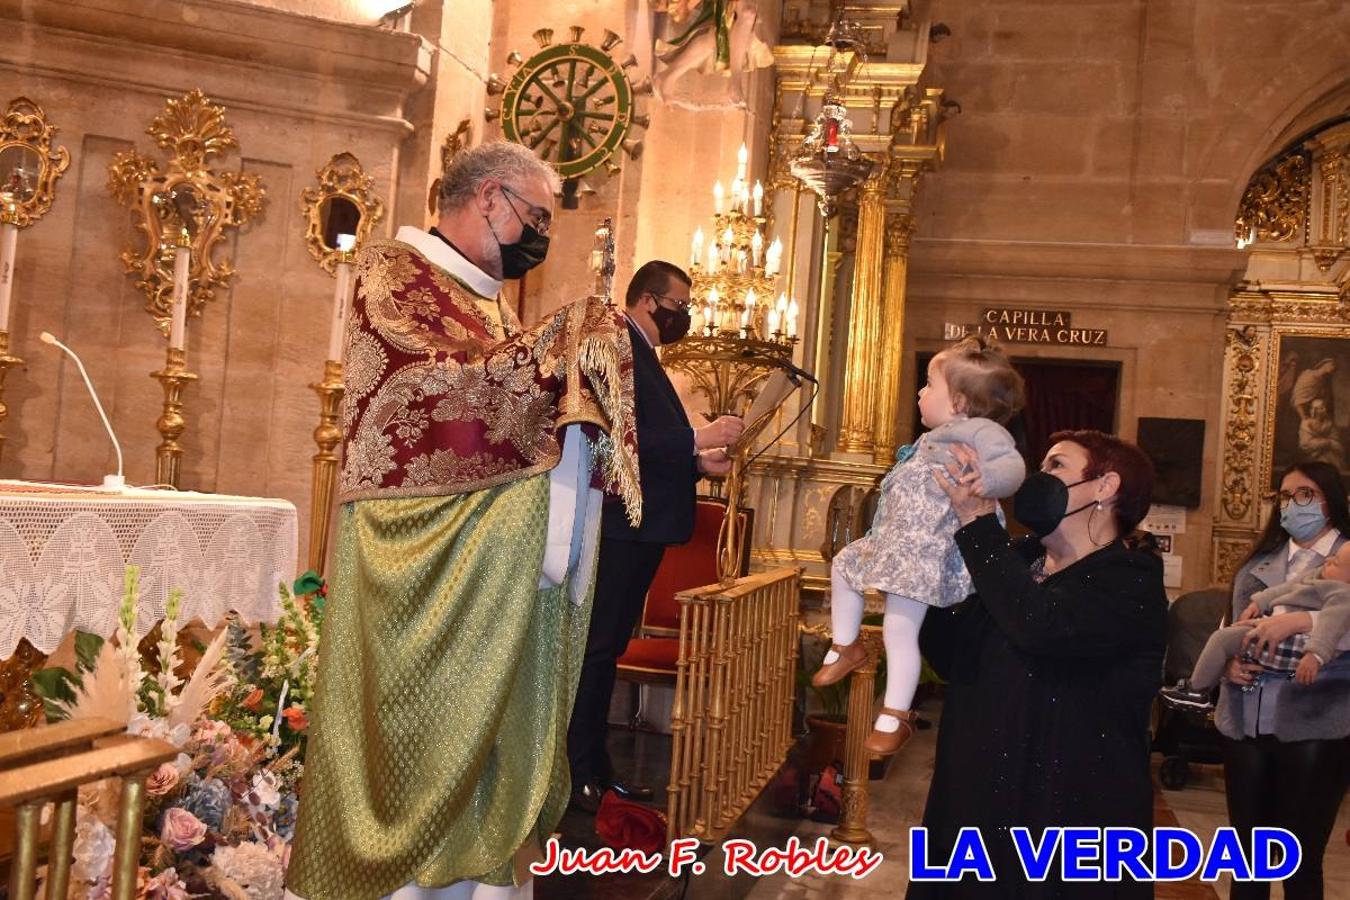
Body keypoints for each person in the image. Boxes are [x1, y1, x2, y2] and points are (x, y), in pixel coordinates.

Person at [286, 142, 642, 900]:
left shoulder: (483, 297)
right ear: (489, 198)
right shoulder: (395, 273)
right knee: (413, 738)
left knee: (479, 729)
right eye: (536, 216)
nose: (539, 235)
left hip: (481, 556)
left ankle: (469, 869)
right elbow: (431, 393)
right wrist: (558, 343)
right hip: (414, 550)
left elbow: (507, 395)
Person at [911, 430, 1167, 898]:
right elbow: (951, 656)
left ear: (1105, 487)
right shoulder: (1017, 561)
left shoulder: (1132, 581)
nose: (1037, 478)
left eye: (1056, 466)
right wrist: (928, 568)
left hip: (1067, 819)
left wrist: (978, 525)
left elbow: (1041, 626)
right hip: (978, 803)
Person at [565, 260, 743, 812]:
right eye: (678, 306)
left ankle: (596, 766)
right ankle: (577, 772)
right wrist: (698, 437)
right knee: (598, 651)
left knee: (608, 649)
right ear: (647, 300)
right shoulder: (619, 345)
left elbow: (645, 451)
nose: (683, 316)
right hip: (621, 528)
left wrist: (697, 464)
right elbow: (623, 434)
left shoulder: (644, 353)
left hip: (641, 526)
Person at [811, 335, 1025, 754]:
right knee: (844, 564)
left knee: (900, 629)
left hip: (925, 554)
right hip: (896, 543)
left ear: (960, 402)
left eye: (929, 385)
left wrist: (988, 481)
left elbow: (1011, 465)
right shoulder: (937, 437)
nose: (920, 392)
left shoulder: (980, 431)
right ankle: (845, 644)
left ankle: (895, 715)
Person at [1214, 461, 1350, 900]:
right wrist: (1227, 666)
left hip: (1316, 722)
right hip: (1248, 718)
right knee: (1246, 860)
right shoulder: (1260, 563)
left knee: (1301, 859)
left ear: (1330, 500)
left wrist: (1299, 622)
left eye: (1304, 494)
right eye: (1285, 495)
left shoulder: (1347, 557)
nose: (1292, 504)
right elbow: (1229, 627)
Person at [1161, 542, 1350, 701]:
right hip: (1265, 659)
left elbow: (1331, 626)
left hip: (1298, 648)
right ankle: (1201, 686)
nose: (1328, 560)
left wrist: (1314, 654)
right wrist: (1259, 601)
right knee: (1228, 640)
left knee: (1222, 639)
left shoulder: (1341, 594)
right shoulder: (1317, 575)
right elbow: (1287, 588)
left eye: (1336, 563)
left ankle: (1196, 689)